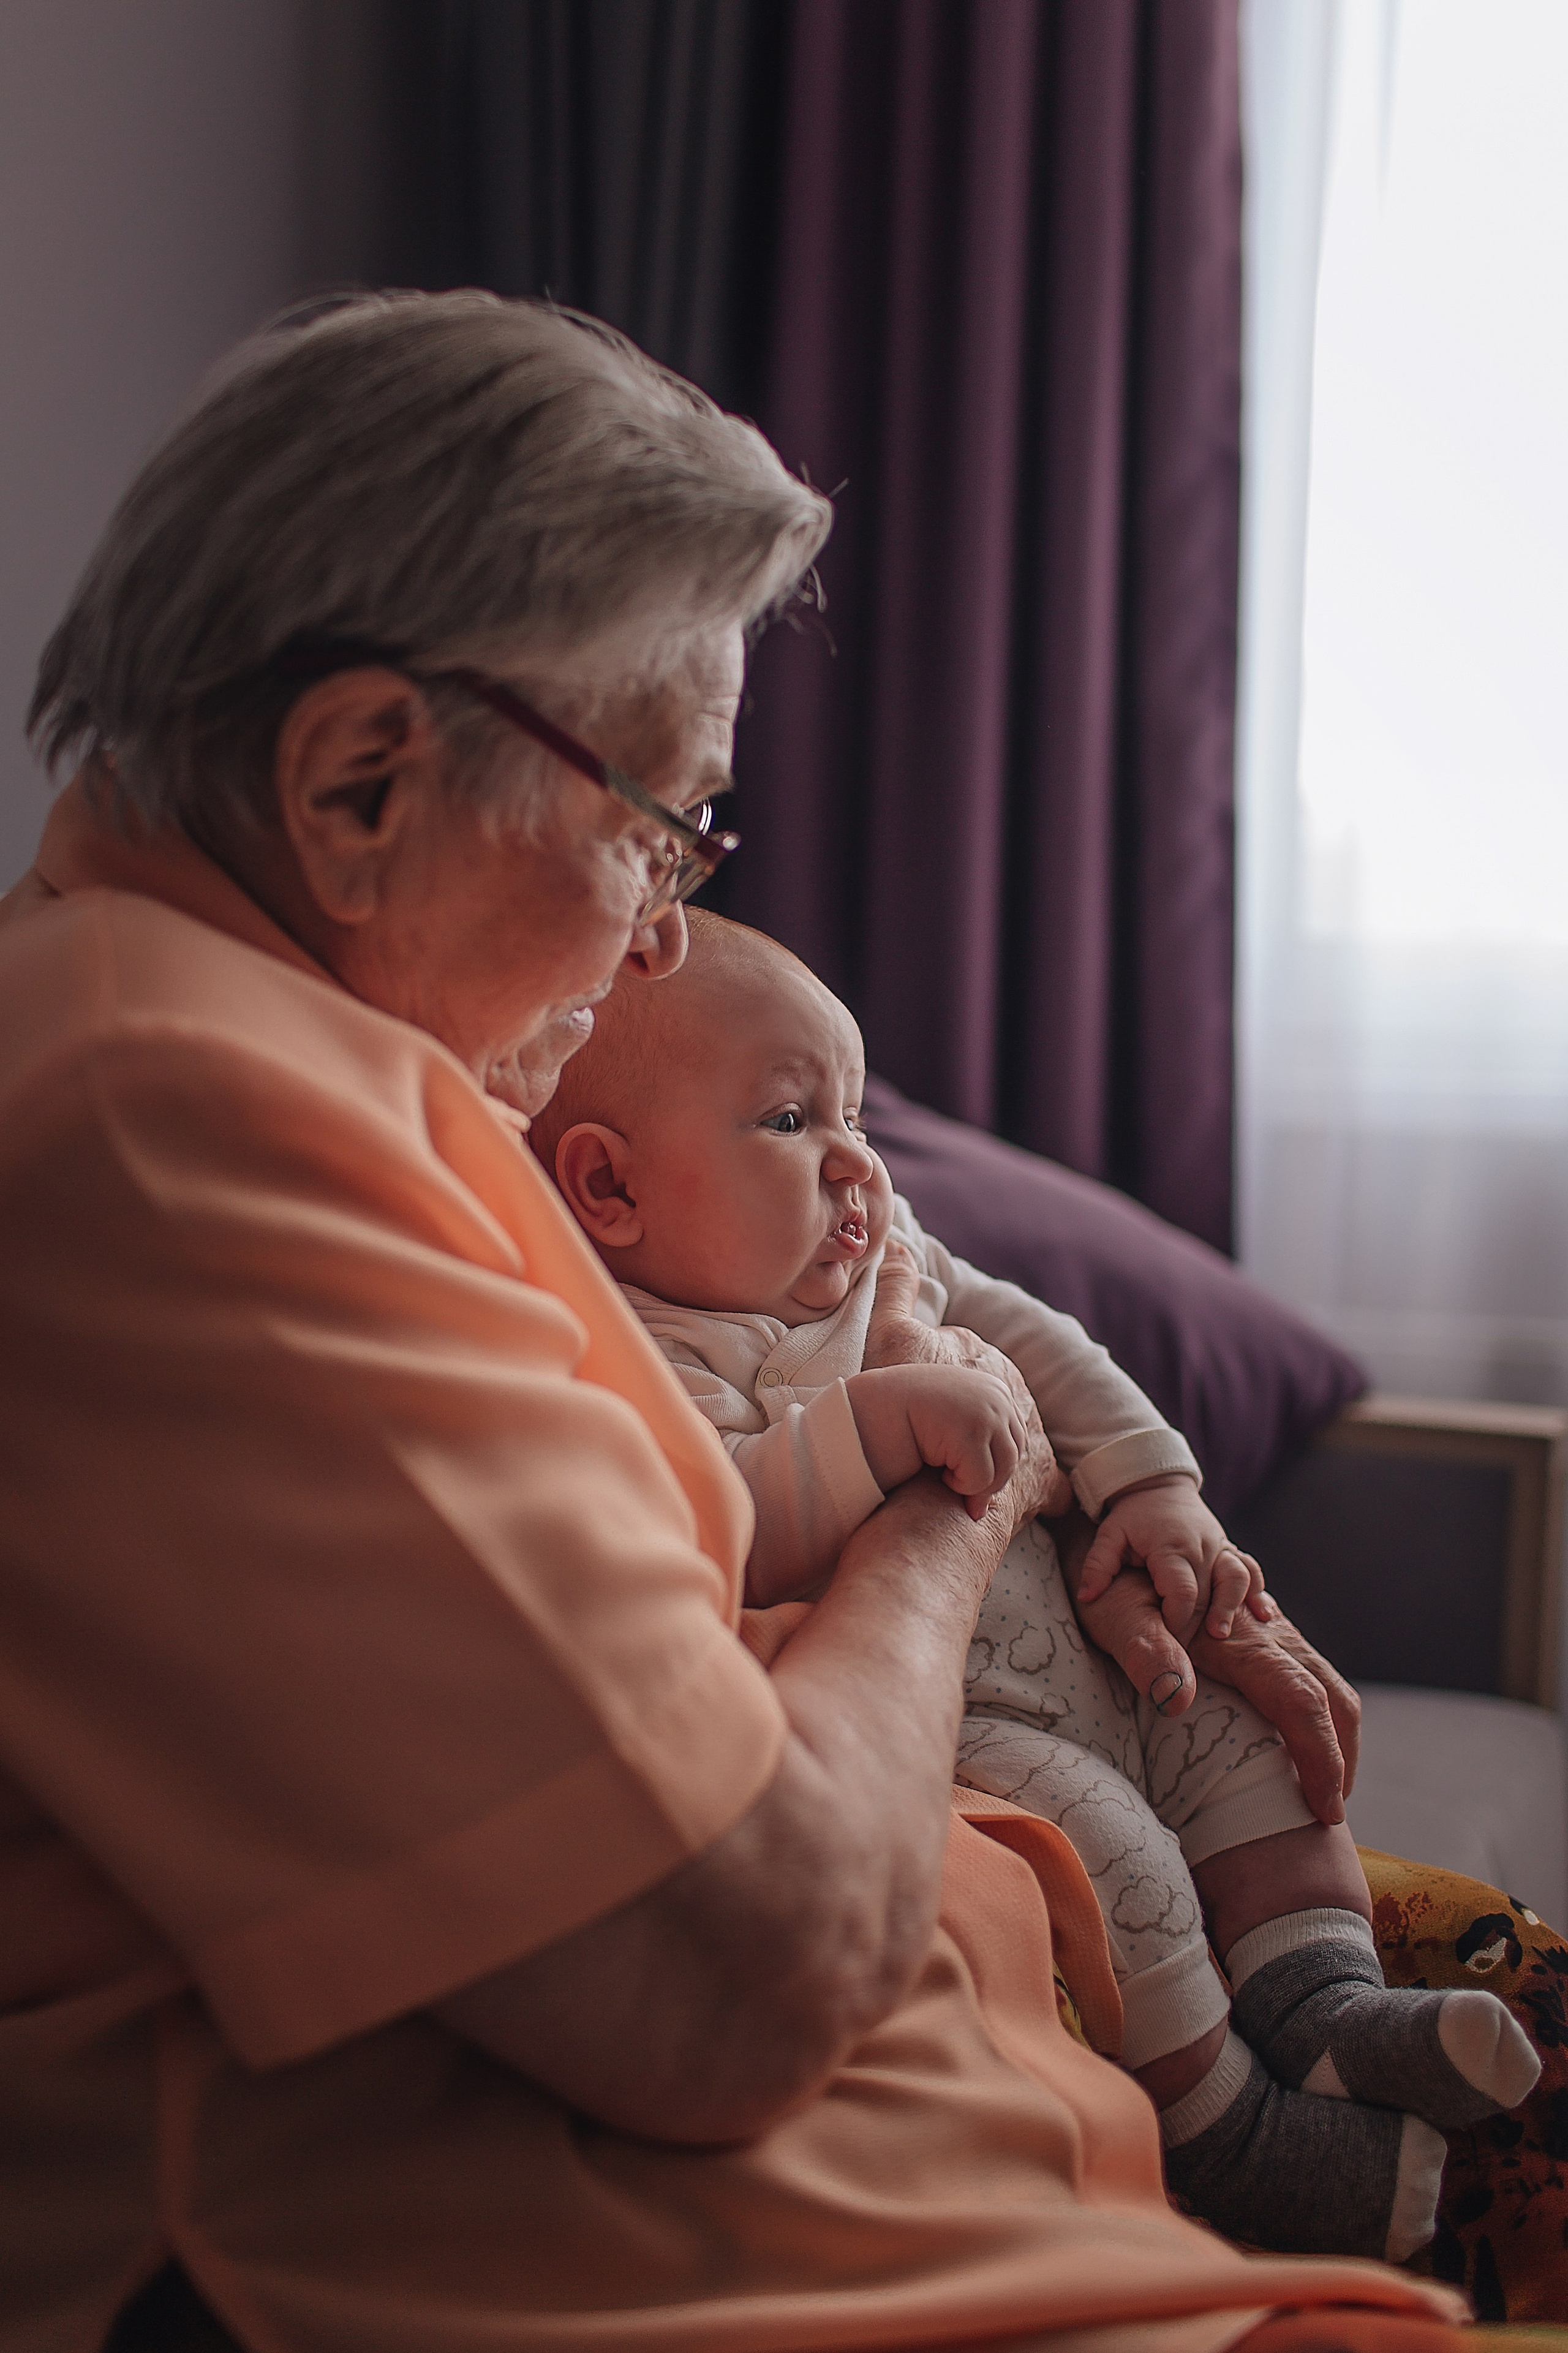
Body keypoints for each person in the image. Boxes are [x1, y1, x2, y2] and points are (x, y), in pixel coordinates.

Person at [0, 290, 1469, 2353]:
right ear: (351, 788)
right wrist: (947, 1504)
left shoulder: (340, 1062)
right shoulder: (175, 1122)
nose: (662, 923)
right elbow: (742, 1970)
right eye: (657, 819)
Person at [528, 909, 1539, 2260]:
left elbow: (1045, 1347)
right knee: (1113, 1860)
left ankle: (1325, 2006)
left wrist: (1153, 1488)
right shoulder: (640, 1350)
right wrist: (877, 1425)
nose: (854, 1164)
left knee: (1253, 1757)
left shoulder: (887, 1260)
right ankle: (1236, 2135)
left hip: (1103, 1646)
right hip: (968, 1732)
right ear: (608, 1190)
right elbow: (722, 1518)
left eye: (855, 1115)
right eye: (787, 1121)